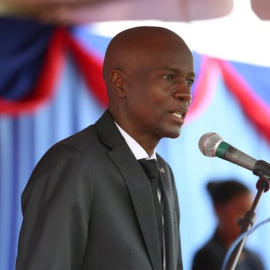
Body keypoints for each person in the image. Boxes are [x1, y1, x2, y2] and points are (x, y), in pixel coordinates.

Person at [16, 26, 195, 270]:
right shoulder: (74, 162)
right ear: (119, 83)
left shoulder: (164, 171)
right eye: (169, 77)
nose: (186, 93)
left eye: (189, 81)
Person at [192, 179, 265, 270]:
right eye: (241, 211)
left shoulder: (254, 258)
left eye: (254, 213)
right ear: (218, 210)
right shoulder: (205, 257)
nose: (250, 220)